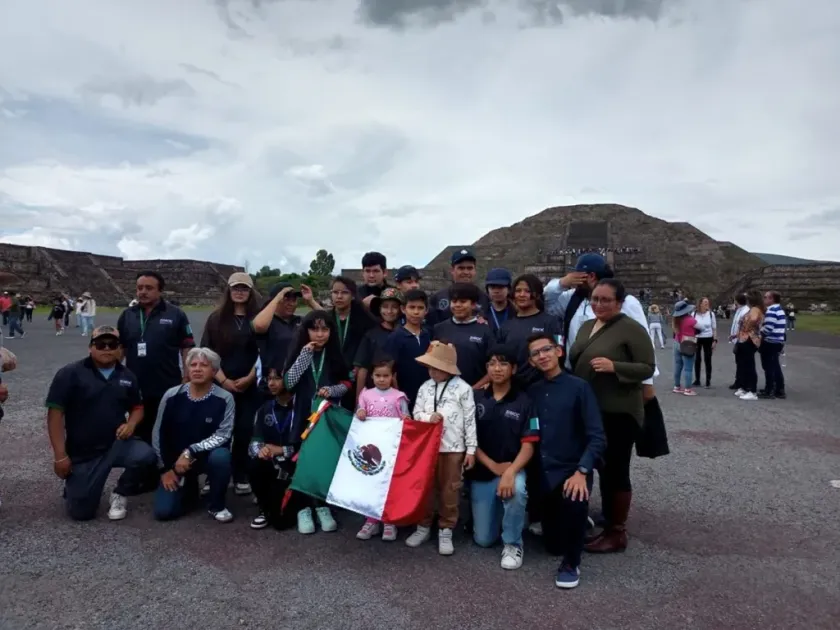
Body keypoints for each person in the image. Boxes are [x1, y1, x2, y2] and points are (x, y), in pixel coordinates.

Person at [568, 279, 655, 554]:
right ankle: (603, 521)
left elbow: (646, 367)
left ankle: (617, 531)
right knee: (594, 464)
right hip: (589, 409)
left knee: (615, 469)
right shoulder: (586, 326)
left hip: (618, 411)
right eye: (595, 299)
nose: (598, 304)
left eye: (606, 300)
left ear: (619, 303)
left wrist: (614, 365)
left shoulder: (631, 328)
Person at [45, 326, 156, 521]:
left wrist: (130, 424)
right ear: (90, 347)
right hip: (84, 451)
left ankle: (121, 491)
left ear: (119, 349)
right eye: (100, 344)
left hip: (116, 444)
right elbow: (55, 415)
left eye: (112, 344)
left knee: (146, 456)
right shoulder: (70, 374)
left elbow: (138, 408)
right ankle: (75, 486)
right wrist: (60, 456)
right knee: (82, 514)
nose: (106, 348)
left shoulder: (127, 376)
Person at [527, 333, 605, 589]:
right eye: (536, 353)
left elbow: (597, 437)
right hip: (542, 472)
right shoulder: (533, 391)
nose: (542, 355)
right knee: (552, 546)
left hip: (572, 470)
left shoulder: (579, 387)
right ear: (531, 361)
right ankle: (572, 524)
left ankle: (572, 563)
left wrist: (583, 470)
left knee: (574, 501)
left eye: (546, 349)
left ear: (559, 351)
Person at [283, 310, 351, 534]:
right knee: (302, 459)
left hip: (325, 415)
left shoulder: (334, 354)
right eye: (315, 329)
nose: (320, 334)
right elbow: (289, 382)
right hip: (303, 413)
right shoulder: (300, 351)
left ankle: (322, 506)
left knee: (322, 459)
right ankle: (303, 508)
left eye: (325, 329)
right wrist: (304, 355)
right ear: (306, 331)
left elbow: (347, 383)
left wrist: (332, 390)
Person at [470, 345, 537, 570]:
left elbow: (529, 444)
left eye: (503, 363)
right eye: (492, 364)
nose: (497, 369)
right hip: (483, 470)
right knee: (484, 540)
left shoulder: (525, 401)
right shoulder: (476, 397)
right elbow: (468, 438)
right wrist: (492, 465)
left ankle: (513, 541)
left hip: (513, 468)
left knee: (516, 490)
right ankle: (504, 514)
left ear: (514, 368)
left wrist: (509, 471)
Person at [406, 341, 477, 556]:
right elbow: (416, 413)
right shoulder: (425, 387)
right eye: (430, 367)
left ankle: (446, 528)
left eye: (437, 368)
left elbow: (470, 419)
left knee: (450, 488)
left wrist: (471, 449)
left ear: (448, 368)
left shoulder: (463, 388)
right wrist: (429, 417)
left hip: (453, 447)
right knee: (426, 487)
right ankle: (423, 525)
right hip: (427, 447)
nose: (432, 372)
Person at [152, 347, 235, 523]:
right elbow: (158, 433)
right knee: (164, 512)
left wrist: (190, 451)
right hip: (177, 462)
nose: (197, 369)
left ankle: (216, 504)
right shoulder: (171, 395)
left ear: (213, 371)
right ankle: (189, 488)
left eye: (204, 365)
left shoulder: (225, 398)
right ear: (187, 370)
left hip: (206, 457)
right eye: (193, 365)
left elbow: (223, 434)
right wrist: (165, 470)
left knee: (221, 456)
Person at [117, 271, 196, 445]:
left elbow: (187, 346)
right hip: (135, 383)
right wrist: (112, 373)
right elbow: (120, 347)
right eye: (139, 288)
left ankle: (166, 468)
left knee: (167, 429)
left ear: (160, 291)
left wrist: (187, 375)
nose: (142, 292)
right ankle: (141, 467)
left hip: (166, 383)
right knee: (138, 430)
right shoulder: (128, 315)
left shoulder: (176, 314)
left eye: (148, 288)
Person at [201, 272, 261, 495]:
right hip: (221, 382)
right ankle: (214, 473)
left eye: (244, 288)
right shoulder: (216, 319)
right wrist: (223, 380)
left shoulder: (258, 318)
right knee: (218, 430)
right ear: (229, 290)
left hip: (249, 383)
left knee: (244, 430)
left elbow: (263, 352)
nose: (239, 292)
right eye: (236, 288)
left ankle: (240, 473)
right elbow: (207, 352)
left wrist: (250, 378)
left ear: (250, 292)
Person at [354, 357, 411, 542]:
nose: (381, 379)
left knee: (389, 485)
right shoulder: (365, 394)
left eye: (385, 376)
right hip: (371, 449)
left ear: (392, 376)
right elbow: (359, 413)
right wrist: (360, 413)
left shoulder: (399, 396)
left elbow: (407, 418)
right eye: (378, 375)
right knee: (370, 484)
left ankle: (388, 521)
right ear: (372, 376)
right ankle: (371, 520)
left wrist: (407, 420)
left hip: (391, 450)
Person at [247, 367, 303, 530]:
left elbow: (308, 447)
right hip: (271, 465)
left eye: (277, 378)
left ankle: (302, 506)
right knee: (255, 464)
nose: (271, 383)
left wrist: (283, 450)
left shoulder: (301, 409)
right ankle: (264, 509)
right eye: (269, 379)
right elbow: (254, 443)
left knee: (281, 523)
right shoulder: (264, 409)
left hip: (295, 466)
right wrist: (261, 450)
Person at [498, 274, 562, 389]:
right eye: (518, 291)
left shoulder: (550, 322)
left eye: (527, 291)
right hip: (514, 388)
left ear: (537, 294)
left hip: (544, 386)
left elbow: (560, 352)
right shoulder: (506, 326)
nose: (522, 295)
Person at [251, 282, 310, 393]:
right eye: (286, 299)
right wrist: (278, 297)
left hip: (297, 382)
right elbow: (258, 326)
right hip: (272, 384)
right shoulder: (268, 321)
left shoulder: (299, 321)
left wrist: (311, 301)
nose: (291, 303)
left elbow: (328, 323)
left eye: (294, 300)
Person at [433, 283, 493, 388]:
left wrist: (473, 390)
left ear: (473, 304)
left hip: (475, 393)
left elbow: (493, 366)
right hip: (444, 393)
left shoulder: (485, 331)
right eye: (454, 301)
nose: (457, 305)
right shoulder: (439, 329)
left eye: (463, 301)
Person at [384, 289, 432, 408]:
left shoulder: (429, 334)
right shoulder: (395, 337)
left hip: (428, 396)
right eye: (412, 307)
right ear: (403, 309)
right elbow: (389, 370)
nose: (416, 312)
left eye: (420, 308)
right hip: (404, 397)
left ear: (426, 311)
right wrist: (398, 396)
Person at [354, 288, 403, 395]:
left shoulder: (405, 334)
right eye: (385, 307)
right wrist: (359, 402)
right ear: (379, 309)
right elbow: (363, 370)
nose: (389, 311)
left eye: (394, 307)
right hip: (374, 394)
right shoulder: (371, 335)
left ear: (401, 309)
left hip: (400, 393)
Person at [328, 276, 377, 382]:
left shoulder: (364, 319)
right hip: (330, 374)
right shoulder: (326, 318)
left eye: (345, 292)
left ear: (353, 296)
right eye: (335, 292)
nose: (339, 296)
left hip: (355, 374)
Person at [426, 249, 490, 327]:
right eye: (461, 268)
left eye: (469, 268)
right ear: (452, 270)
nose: (466, 272)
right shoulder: (438, 298)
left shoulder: (485, 298)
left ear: (475, 270)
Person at [734, 291, 764, 401]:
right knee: (745, 364)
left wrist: (745, 326)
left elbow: (753, 320)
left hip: (750, 339)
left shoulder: (755, 309)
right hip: (745, 338)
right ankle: (746, 387)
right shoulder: (752, 309)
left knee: (749, 364)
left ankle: (752, 390)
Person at [759, 291, 787, 400]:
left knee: (769, 367)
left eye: (766, 297)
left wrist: (759, 333)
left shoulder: (771, 310)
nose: (764, 299)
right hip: (778, 340)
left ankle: (769, 389)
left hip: (770, 341)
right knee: (775, 366)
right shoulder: (780, 310)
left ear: (772, 299)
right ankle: (778, 389)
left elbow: (768, 328)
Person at [671, 300, 699, 395]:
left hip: (677, 342)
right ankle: (687, 389)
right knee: (688, 368)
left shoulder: (675, 320)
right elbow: (702, 328)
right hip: (688, 343)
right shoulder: (690, 320)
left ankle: (677, 386)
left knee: (678, 366)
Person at [691, 297, 717, 389]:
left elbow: (714, 328)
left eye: (708, 302)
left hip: (708, 338)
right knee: (697, 359)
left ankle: (708, 381)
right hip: (697, 338)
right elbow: (690, 326)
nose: (707, 304)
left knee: (708, 359)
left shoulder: (711, 314)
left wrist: (715, 340)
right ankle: (697, 380)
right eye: (705, 302)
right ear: (700, 303)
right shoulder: (694, 314)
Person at [483, 268, 516, 339]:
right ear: (487, 290)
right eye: (492, 287)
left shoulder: (517, 313)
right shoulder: (481, 314)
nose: (496, 291)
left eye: (500, 287)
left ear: (509, 289)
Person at [728, 294, 749, 391]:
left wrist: (735, 335)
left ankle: (741, 381)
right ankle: (738, 380)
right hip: (737, 338)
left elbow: (742, 327)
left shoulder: (744, 311)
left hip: (741, 339)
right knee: (738, 361)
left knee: (741, 361)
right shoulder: (739, 310)